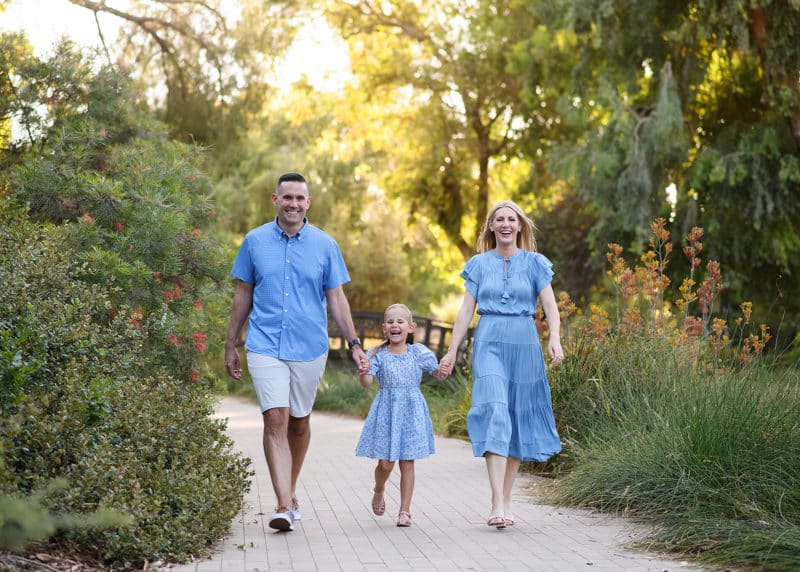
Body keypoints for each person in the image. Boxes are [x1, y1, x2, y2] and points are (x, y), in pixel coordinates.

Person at [224, 172, 368, 532]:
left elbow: (337, 298)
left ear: (308, 203)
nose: (293, 203)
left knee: (299, 423)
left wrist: (354, 345)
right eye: (286, 197)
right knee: (275, 418)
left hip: (309, 347)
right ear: (274, 199)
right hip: (264, 343)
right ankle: (283, 504)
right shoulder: (255, 242)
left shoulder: (325, 245)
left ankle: (290, 488)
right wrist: (231, 342)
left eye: (299, 198)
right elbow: (243, 293)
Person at [437, 200, 564, 529]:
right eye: (499, 219)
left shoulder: (536, 263)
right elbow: (465, 313)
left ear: (520, 226)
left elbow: (550, 306)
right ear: (491, 227)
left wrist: (554, 339)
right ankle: (496, 500)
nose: (506, 224)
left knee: (517, 419)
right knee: (495, 409)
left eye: (512, 219)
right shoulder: (478, 264)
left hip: (524, 344)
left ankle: (507, 501)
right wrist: (451, 352)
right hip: (489, 340)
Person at [355, 303, 440, 527]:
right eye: (391, 322)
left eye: (400, 322)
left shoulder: (418, 353)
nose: (395, 325)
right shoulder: (378, 355)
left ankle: (405, 511)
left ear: (410, 327)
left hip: (411, 412)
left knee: (407, 462)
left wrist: (444, 369)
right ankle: (379, 489)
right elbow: (366, 383)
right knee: (386, 463)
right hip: (387, 412)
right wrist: (363, 371)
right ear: (384, 328)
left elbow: (438, 373)